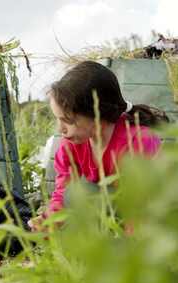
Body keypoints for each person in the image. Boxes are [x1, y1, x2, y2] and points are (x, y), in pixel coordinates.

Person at [29, 61, 168, 232]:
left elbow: (144, 204)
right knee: (73, 195)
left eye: (68, 120)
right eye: (58, 119)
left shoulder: (138, 142)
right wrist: (47, 224)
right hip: (110, 219)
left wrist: (132, 252)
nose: (60, 129)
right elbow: (63, 194)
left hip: (148, 223)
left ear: (96, 115)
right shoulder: (72, 145)